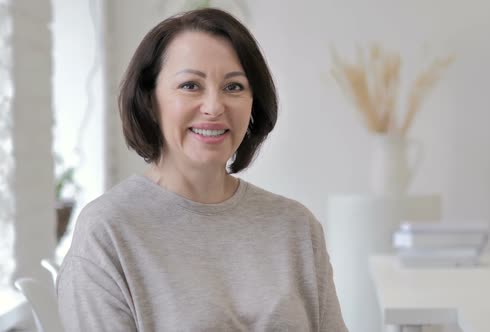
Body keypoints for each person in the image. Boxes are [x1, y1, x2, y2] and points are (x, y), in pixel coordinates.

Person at [56, 8, 348, 332]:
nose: (213, 107)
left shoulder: (296, 227)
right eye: (191, 85)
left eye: (234, 87)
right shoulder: (108, 230)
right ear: (150, 101)